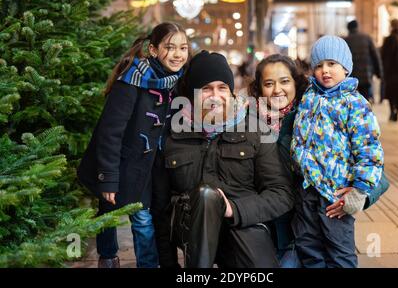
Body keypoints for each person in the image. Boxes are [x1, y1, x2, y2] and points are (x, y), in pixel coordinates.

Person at [152, 50, 295, 268]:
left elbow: (281, 193)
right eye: (206, 89)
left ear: (231, 92)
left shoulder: (255, 131)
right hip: (190, 228)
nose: (215, 96)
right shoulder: (174, 136)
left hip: (242, 221)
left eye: (222, 88)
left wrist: (234, 210)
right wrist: (168, 263)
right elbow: (160, 208)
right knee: (206, 196)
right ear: (192, 94)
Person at [77, 23, 190, 268]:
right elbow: (109, 132)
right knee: (110, 209)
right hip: (121, 161)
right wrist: (108, 176)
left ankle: (147, 265)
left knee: (142, 218)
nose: (178, 54)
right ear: (152, 49)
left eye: (183, 48)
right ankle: (108, 257)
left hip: (149, 165)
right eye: (170, 48)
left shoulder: (176, 81)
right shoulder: (131, 82)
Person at [291, 35, 384, 268]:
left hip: (335, 195)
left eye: (332, 64)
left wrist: (359, 190)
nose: (325, 71)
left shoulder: (355, 103)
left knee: (339, 251)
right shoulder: (309, 97)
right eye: (319, 65)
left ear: (345, 68)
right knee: (309, 247)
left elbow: (369, 150)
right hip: (307, 189)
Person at [248, 54, 308, 266]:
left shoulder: (314, 116)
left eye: (284, 81)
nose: (277, 90)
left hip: (303, 229)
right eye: (269, 84)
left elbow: (374, 169)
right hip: (260, 225)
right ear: (259, 88)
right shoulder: (246, 121)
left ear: (296, 83)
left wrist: (356, 196)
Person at [345, 20, 383, 103]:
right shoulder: (367, 38)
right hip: (366, 75)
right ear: (357, 27)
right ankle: (364, 114)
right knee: (365, 99)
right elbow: (375, 56)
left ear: (348, 29)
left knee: (351, 100)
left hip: (351, 76)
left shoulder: (345, 41)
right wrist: (379, 73)